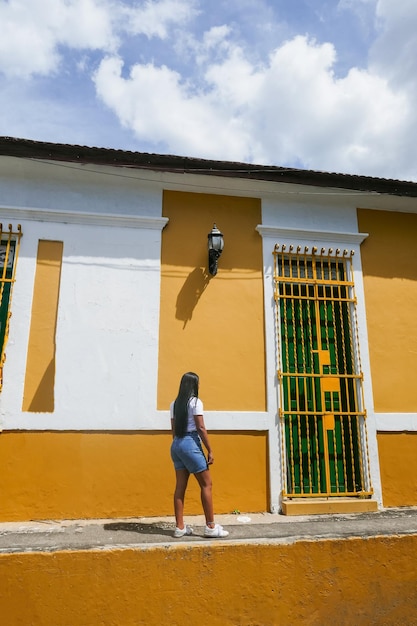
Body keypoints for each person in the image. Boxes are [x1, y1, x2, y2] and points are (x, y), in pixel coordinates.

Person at [170, 372, 228, 538]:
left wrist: (180, 448)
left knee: (180, 487)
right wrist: (209, 449)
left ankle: (179, 527)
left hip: (176, 445)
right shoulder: (195, 402)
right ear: (194, 385)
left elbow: (173, 430)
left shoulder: (174, 404)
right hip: (190, 443)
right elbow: (201, 427)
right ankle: (210, 526)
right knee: (206, 485)